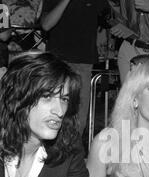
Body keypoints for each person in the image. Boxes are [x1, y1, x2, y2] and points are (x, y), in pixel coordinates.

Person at [41, 0, 110, 136]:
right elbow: (46, 25)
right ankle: (49, 152)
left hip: (83, 62)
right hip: (57, 62)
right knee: (51, 112)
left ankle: (73, 152)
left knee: (78, 117)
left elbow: (109, 18)